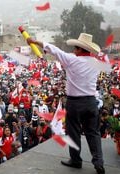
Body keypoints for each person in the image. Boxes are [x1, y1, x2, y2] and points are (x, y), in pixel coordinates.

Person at [27, 33, 105, 174]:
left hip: (75, 103)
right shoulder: (97, 63)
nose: (73, 51)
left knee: (73, 132)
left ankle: (76, 160)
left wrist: (34, 41)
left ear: (80, 49)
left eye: (75, 48)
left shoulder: (71, 60)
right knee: (93, 133)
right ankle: (98, 162)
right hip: (91, 102)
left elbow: (54, 49)